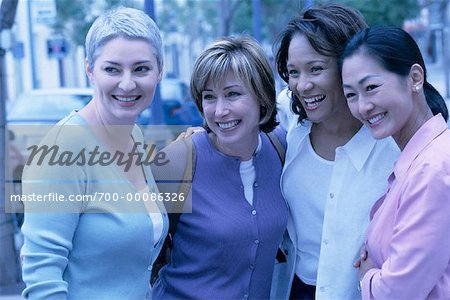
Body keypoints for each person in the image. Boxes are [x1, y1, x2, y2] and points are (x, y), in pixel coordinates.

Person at [20, 7, 168, 299]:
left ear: (159, 71)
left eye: (141, 68)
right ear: (89, 69)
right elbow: (42, 281)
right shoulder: (60, 150)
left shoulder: (134, 136)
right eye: (112, 69)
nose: (127, 83)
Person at [271, 4, 401, 299]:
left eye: (316, 69)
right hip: (296, 289)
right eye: (293, 72)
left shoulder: (391, 144)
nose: (302, 85)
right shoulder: (291, 123)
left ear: (348, 65)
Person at [151, 36, 288, 299]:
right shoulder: (177, 161)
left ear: (261, 96)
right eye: (209, 97)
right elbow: (137, 252)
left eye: (233, 94)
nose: (219, 111)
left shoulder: (281, 149)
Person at [341, 26, 450, 299]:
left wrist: (367, 278)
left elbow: (395, 293)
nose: (362, 106)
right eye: (351, 95)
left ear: (415, 77)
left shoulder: (433, 170)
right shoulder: (419, 159)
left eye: (371, 88)